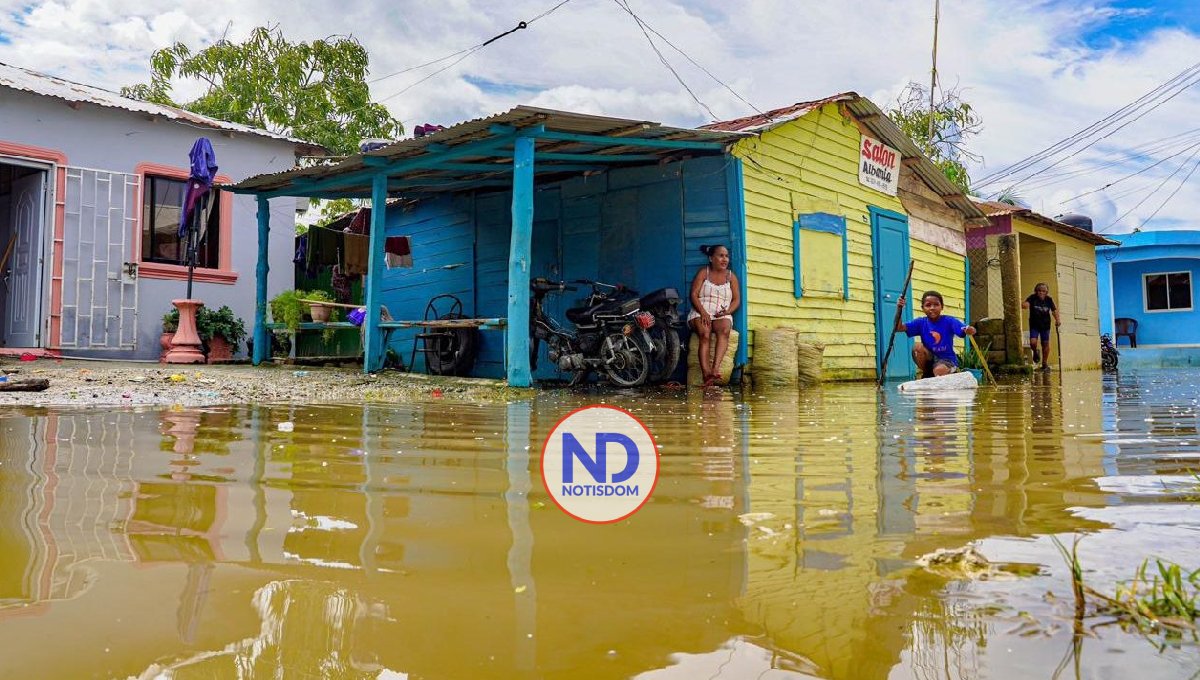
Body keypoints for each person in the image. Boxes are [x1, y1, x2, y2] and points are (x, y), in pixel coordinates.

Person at [688, 244, 740, 387]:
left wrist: (728, 311)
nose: (725, 259)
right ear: (711, 258)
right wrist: (703, 312)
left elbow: (736, 300)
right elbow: (693, 295)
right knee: (704, 333)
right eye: (721, 255)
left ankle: (715, 369)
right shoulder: (703, 273)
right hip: (701, 310)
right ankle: (706, 373)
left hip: (721, 313)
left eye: (726, 256)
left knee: (724, 330)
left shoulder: (731, 276)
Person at [894, 290, 976, 378]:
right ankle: (927, 373)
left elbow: (968, 329)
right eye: (928, 305)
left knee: (939, 370)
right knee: (917, 347)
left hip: (947, 360)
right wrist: (899, 308)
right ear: (922, 308)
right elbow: (898, 328)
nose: (932, 308)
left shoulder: (949, 321)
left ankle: (950, 371)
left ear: (942, 307)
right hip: (931, 359)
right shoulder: (921, 322)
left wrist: (969, 330)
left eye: (936, 305)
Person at [1022, 283, 1060, 370]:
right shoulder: (1032, 297)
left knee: (1045, 343)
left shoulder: (1049, 300)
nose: (1041, 293)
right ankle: (1035, 352)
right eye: (1039, 291)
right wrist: (1024, 305)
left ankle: (1044, 363)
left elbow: (1054, 311)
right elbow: (1026, 304)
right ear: (1036, 291)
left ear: (1046, 292)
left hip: (1045, 325)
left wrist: (1057, 320)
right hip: (1034, 325)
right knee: (1033, 343)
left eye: (1043, 291)